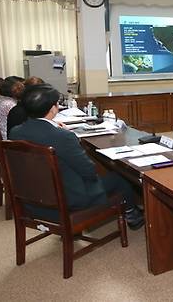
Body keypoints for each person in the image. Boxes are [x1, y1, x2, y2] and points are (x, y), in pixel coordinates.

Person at [9, 84, 145, 230]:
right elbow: (89, 171)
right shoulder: (63, 137)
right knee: (119, 177)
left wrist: (54, 127)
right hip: (69, 200)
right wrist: (66, 135)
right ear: (53, 109)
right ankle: (133, 216)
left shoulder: (15, 132)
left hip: (32, 199)